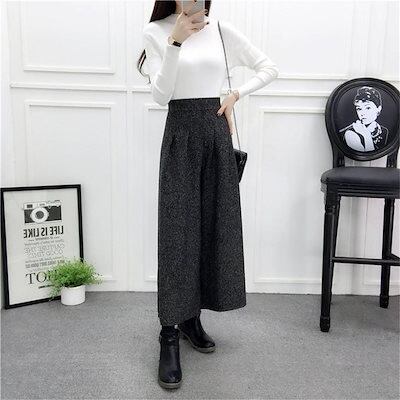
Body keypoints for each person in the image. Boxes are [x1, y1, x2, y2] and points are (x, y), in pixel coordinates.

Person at [137, 0, 279, 389]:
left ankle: (191, 318)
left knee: (214, 227)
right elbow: (161, 96)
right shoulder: (157, 32)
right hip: (180, 135)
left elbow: (268, 67)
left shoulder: (220, 29)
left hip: (216, 134)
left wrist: (235, 94)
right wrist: (175, 42)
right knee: (177, 234)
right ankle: (169, 333)